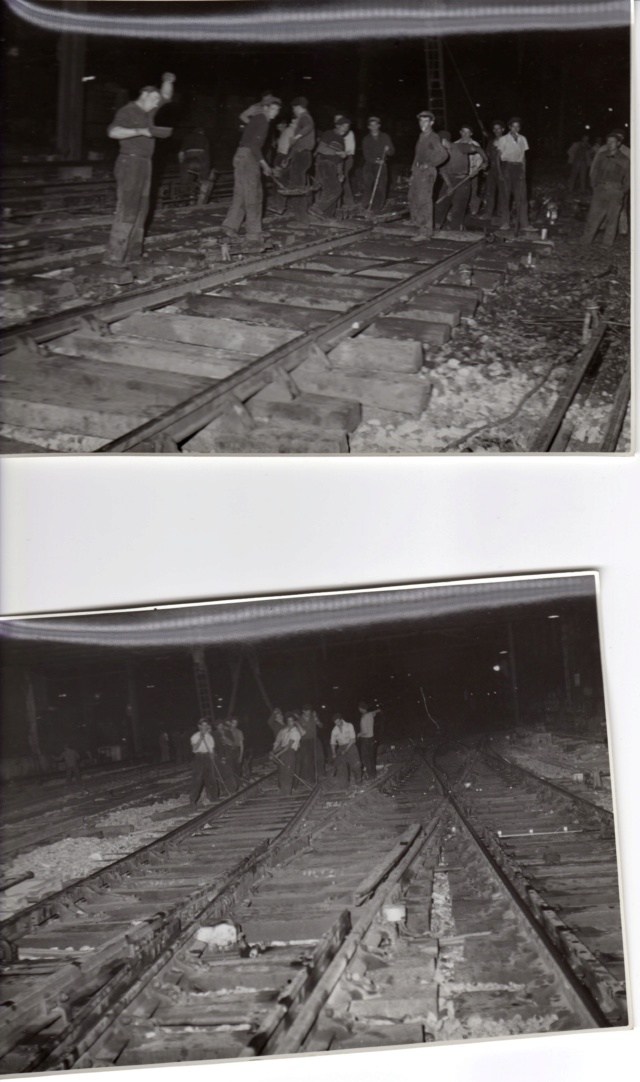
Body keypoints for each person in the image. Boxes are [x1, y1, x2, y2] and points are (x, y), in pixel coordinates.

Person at [105, 73, 176, 265]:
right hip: (130, 163)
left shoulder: (148, 111)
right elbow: (112, 132)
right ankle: (114, 255)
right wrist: (140, 131)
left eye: (156, 101)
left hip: (145, 163)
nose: (156, 104)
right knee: (128, 207)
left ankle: (133, 254)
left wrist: (168, 81)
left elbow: (166, 97)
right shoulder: (128, 111)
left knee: (142, 208)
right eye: (153, 100)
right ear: (144, 94)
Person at [222, 96, 281, 249]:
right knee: (255, 194)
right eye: (272, 109)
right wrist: (265, 165)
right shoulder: (263, 121)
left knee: (241, 193)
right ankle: (254, 233)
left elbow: (245, 126)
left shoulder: (256, 118)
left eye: (277, 110)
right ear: (266, 108)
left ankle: (230, 226)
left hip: (240, 155)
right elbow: (255, 146)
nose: (275, 113)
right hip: (248, 157)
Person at [582, 131, 630, 247]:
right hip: (600, 189)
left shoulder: (625, 159)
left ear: (619, 144)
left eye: (613, 142)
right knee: (593, 216)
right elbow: (594, 171)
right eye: (608, 142)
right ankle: (586, 240)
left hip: (615, 191)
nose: (610, 144)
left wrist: (623, 190)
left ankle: (607, 243)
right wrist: (594, 185)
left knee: (612, 219)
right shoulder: (601, 155)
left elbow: (629, 177)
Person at [409, 110, 449, 240]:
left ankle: (425, 232)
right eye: (421, 121)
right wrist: (413, 173)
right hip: (419, 171)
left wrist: (430, 164)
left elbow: (444, 154)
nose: (423, 123)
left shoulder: (433, 137)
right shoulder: (422, 136)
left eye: (426, 121)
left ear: (432, 122)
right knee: (413, 197)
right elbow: (417, 156)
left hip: (427, 173)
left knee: (424, 200)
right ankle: (420, 225)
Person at [436, 131, 487, 231]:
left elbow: (477, 148)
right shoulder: (441, 154)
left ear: (444, 140)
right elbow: (443, 171)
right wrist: (449, 185)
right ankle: (436, 228)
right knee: (440, 205)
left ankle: (455, 230)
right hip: (449, 181)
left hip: (463, 180)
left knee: (458, 209)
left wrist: (485, 160)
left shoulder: (459, 147)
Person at [278, 97, 316, 222]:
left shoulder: (304, 117)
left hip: (302, 156)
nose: (293, 110)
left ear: (297, 107)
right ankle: (302, 215)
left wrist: (296, 136)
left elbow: (309, 126)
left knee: (296, 188)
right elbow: (297, 145)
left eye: (293, 108)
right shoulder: (303, 118)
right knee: (298, 186)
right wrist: (288, 158)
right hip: (301, 155)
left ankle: (302, 220)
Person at [310, 116, 350, 220]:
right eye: (343, 127)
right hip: (325, 163)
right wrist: (337, 152)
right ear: (337, 126)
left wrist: (340, 173)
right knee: (335, 190)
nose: (345, 130)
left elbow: (340, 160)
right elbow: (321, 148)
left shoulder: (342, 141)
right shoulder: (329, 134)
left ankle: (326, 217)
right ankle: (316, 208)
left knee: (330, 191)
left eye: (347, 128)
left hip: (333, 166)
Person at [496, 117, 530, 232]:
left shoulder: (523, 139)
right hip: (507, 167)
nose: (516, 128)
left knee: (522, 197)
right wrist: (500, 172)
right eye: (513, 126)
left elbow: (523, 157)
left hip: (519, 167)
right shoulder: (504, 139)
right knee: (506, 196)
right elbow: (497, 157)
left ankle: (524, 224)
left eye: (518, 126)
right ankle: (505, 222)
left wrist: (524, 172)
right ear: (509, 127)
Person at [361, 116, 395, 212]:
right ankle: (366, 204)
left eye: (375, 125)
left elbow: (392, 151)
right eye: (371, 125)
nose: (374, 127)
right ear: (368, 127)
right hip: (370, 164)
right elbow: (366, 155)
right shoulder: (366, 139)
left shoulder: (385, 137)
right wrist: (376, 161)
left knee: (381, 184)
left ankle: (377, 206)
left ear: (379, 126)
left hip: (382, 164)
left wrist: (388, 151)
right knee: (368, 182)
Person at [456, 125, 486, 214]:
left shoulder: (475, 145)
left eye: (467, 132)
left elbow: (479, 159)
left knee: (472, 191)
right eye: (463, 132)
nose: (465, 134)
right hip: (459, 173)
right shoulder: (455, 144)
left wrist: (475, 170)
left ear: (471, 134)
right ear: (460, 132)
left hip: (472, 171)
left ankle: (474, 210)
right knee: (459, 192)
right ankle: (459, 210)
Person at [479, 120, 506, 218]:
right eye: (494, 129)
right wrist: (485, 165)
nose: (496, 130)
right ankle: (487, 213)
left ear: (503, 129)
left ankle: (501, 214)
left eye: (499, 128)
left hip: (504, 170)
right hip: (492, 170)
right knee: (489, 191)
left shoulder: (507, 141)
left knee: (503, 193)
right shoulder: (491, 142)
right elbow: (487, 155)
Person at [189, 718, 218, 807]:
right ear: (199, 726)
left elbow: (212, 749)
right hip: (199, 758)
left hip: (208, 758)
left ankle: (213, 798)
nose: (204, 727)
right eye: (203, 725)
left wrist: (212, 755)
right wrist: (200, 739)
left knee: (211, 778)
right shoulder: (195, 736)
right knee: (197, 779)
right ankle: (193, 800)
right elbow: (194, 749)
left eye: (206, 725)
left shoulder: (210, 737)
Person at [272, 713, 302, 795]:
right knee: (282, 772)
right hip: (283, 753)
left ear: (294, 722)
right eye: (288, 721)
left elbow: (288, 746)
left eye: (291, 721)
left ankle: (287, 793)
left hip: (290, 753)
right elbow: (282, 745)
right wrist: (274, 751)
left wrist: (278, 755)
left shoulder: (295, 732)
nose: (290, 723)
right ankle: (283, 791)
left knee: (288, 773)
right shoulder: (285, 731)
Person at [330, 713, 361, 788]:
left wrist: (346, 749)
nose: (337, 724)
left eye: (338, 722)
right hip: (341, 747)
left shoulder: (349, 725)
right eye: (335, 723)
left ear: (341, 720)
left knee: (355, 765)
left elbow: (353, 739)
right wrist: (334, 752)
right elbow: (332, 742)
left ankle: (358, 782)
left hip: (351, 745)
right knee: (341, 768)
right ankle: (344, 786)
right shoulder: (334, 730)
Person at [296, 704, 324, 784]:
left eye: (310, 711)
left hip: (315, 739)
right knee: (307, 760)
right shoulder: (299, 720)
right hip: (305, 741)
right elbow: (299, 733)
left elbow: (321, 726)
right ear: (303, 711)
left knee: (320, 756)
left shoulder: (313, 716)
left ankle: (320, 774)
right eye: (307, 711)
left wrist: (316, 719)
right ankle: (310, 778)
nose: (309, 712)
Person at [214, 720, 239, 794]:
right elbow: (215, 747)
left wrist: (229, 743)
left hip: (229, 754)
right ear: (216, 726)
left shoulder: (228, 733)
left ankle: (233, 788)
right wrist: (220, 757)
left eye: (222, 725)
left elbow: (234, 745)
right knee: (222, 773)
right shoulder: (214, 734)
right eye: (219, 726)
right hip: (220, 756)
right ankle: (224, 789)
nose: (221, 727)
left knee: (231, 771)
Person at [357, 702, 380, 780]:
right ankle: (374, 774)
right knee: (371, 757)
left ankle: (370, 775)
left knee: (366, 758)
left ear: (361, 709)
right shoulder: (370, 714)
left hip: (366, 739)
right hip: (372, 738)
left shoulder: (363, 718)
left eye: (359, 708)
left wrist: (358, 734)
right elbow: (375, 712)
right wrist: (378, 710)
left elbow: (365, 731)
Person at [339, 117, 356, 206]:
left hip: (347, 158)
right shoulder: (336, 132)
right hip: (337, 158)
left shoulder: (350, 133)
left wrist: (343, 153)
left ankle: (350, 202)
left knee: (344, 178)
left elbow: (350, 148)